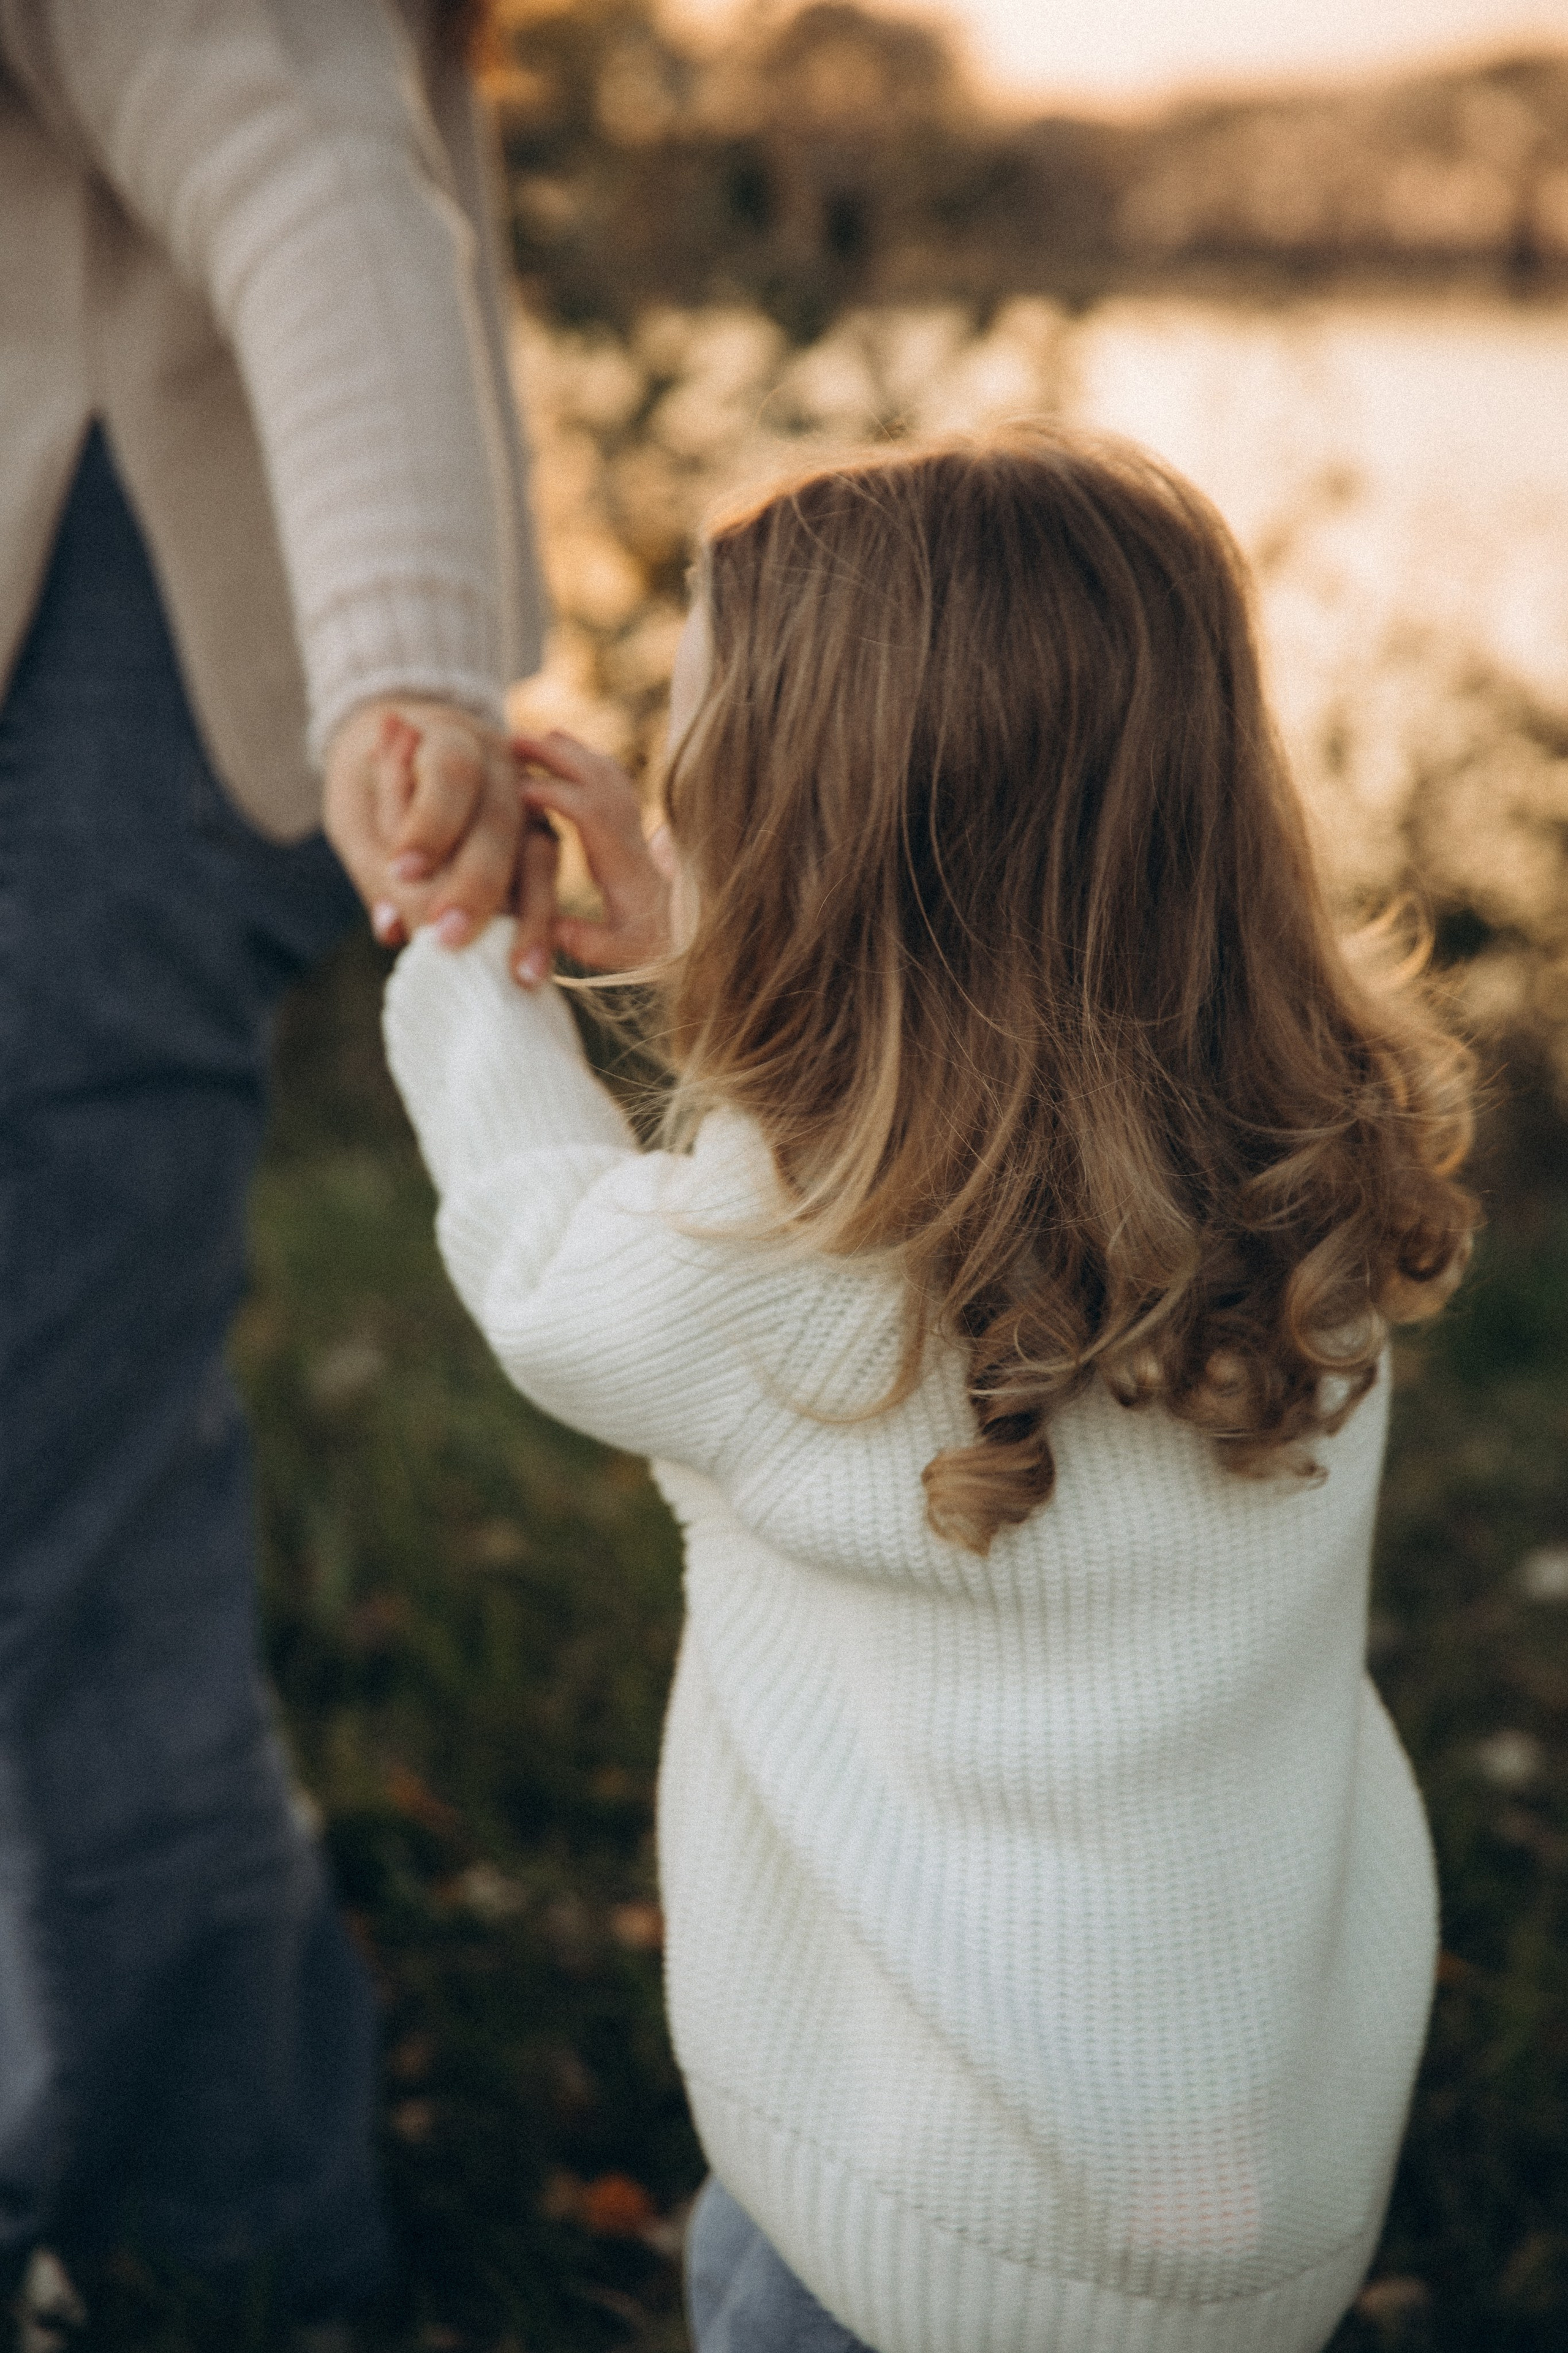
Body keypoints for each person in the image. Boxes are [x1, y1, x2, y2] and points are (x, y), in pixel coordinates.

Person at [383, 431, 1477, 2353]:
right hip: (1249, 2199)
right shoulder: (1312, 1192)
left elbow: (549, 1259)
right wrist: (707, 947)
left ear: (818, 860)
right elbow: (955, 1052)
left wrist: (466, 960)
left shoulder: (777, 1276)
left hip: (906, 2228)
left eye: (710, 775)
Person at [0, 0, 547, 2326]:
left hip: (127, 701)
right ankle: (241, 2229)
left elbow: (307, 131)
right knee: (84, 1536)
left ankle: (242, 2234)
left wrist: (410, 679)